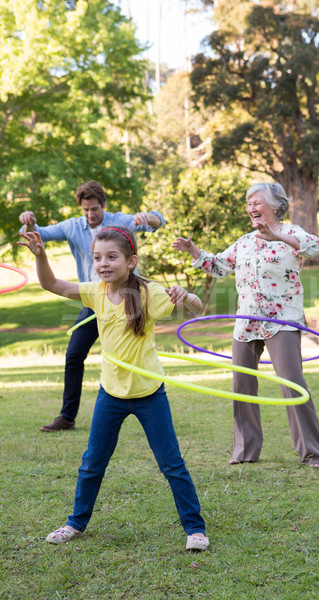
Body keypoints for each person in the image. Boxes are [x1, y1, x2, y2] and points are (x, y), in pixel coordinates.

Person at [18, 225, 209, 551]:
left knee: (171, 463)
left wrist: (185, 294)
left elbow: (197, 309)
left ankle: (195, 529)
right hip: (111, 394)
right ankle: (75, 523)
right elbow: (51, 284)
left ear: (131, 261)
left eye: (112, 257)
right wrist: (41, 255)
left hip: (149, 393)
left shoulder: (150, 293)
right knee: (92, 462)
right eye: (97, 258)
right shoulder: (95, 291)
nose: (103, 264)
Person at [172, 182, 319, 468]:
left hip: (282, 321)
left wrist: (277, 236)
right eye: (248, 203)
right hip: (246, 322)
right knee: (241, 385)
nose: (251, 208)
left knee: (291, 384)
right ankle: (245, 452)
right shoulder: (244, 241)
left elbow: (314, 247)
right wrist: (194, 251)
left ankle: (313, 452)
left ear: (276, 205)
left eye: (256, 202)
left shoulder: (292, 233)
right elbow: (218, 266)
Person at [19, 180, 165, 432]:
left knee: (136, 352)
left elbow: (157, 221)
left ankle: (147, 402)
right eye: (86, 209)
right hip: (94, 298)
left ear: (103, 205)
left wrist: (148, 217)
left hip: (128, 299)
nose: (90, 214)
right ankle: (67, 417)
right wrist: (30, 223)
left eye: (95, 209)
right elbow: (39, 234)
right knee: (74, 354)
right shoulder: (72, 226)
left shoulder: (119, 221)